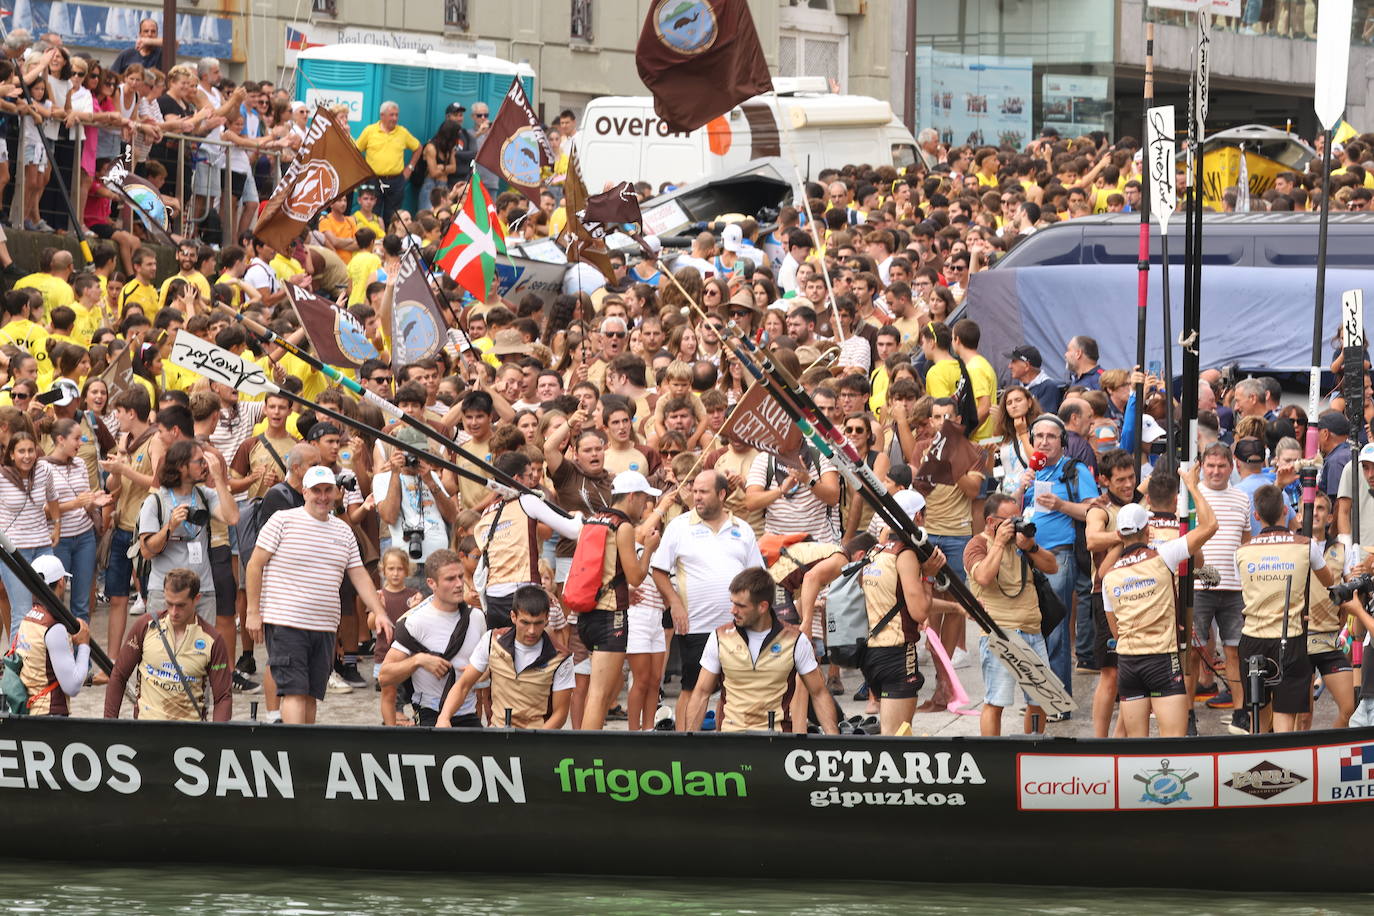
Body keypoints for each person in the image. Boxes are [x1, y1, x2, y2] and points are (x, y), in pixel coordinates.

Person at [245, 466, 390, 725]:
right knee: (295, 692)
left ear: (336, 493)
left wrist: (379, 612)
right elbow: (255, 564)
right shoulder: (282, 520)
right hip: (286, 621)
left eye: (327, 491)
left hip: (324, 625)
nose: (323, 496)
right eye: (316, 491)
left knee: (311, 695)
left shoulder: (343, 530)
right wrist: (252, 612)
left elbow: (358, 575)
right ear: (304, 492)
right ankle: (294, 755)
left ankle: (305, 753)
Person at [797, 491, 941, 736]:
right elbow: (919, 613)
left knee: (890, 733)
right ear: (918, 516)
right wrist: (928, 576)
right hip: (897, 653)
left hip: (871, 655)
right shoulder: (904, 555)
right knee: (897, 736)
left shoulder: (875, 551)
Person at [1102, 465, 1217, 738]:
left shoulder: (1109, 577)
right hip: (1162, 661)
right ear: (1147, 531)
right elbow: (1210, 525)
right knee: (1173, 746)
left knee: (1135, 750)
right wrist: (1192, 485)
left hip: (1129, 664)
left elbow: (1116, 632)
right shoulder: (1164, 555)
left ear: (1119, 535)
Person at [651, 470, 764, 729]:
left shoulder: (743, 529)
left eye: (703, 491)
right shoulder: (679, 526)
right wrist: (675, 603)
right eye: (694, 490)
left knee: (733, 690)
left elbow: (757, 576)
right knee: (692, 688)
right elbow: (658, 571)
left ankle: (725, 744)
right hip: (697, 625)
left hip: (738, 628)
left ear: (722, 494)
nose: (696, 496)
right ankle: (684, 748)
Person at [1234, 483, 1339, 734]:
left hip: (1253, 638)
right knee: (1285, 721)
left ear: (1256, 516)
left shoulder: (1242, 551)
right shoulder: (1306, 545)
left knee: (1257, 718)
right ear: (1286, 510)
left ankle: (1255, 765)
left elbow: (1245, 592)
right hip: (1290, 639)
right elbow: (1329, 581)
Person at [1010, 413, 1099, 705]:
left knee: (1055, 631)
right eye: (1038, 437)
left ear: (1062, 442)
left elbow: (1093, 512)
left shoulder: (1074, 470)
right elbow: (1011, 510)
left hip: (1059, 556)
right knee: (1027, 629)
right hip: (1024, 558)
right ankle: (1036, 701)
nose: (1044, 442)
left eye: (1051, 437)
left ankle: (1058, 702)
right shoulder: (1031, 471)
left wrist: (1061, 504)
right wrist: (1021, 487)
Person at [684, 566, 839, 733]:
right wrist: (688, 747)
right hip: (729, 740)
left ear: (763, 607)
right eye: (732, 603)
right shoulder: (719, 637)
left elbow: (819, 694)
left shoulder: (795, 640)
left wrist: (837, 748)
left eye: (740, 605)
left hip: (776, 741)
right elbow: (700, 694)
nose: (732, 610)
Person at [573, 469, 660, 730]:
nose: (646, 505)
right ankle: (588, 759)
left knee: (595, 693)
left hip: (587, 614)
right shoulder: (622, 527)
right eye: (644, 499)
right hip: (610, 619)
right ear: (631, 496)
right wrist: (649, 551)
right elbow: (636, 577)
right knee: (600, 696)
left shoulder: (593, 520)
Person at [966, 492, 1058, 736]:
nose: (1014, 524)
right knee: (996, 702)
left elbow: (1053, 566)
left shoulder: (1021, 544)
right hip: (999, 633)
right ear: (990, 522)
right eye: (1008, 520)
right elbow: (984, 577)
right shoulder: (977, 544)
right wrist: (998, 543)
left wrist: (1031, 547)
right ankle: (992, 759)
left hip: (1031, 631)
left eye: (1017, 518)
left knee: (1040, 701)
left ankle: (1034, 752)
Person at [436, 583, 573, 729]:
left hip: (537, 737)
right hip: (497, 735)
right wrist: (444, 717)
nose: (532, 630)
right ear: (513, 617)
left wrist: (534, 744)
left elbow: (560, 714)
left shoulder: (561, 658)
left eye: (538, 623)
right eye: (525, 623)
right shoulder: (492, 640)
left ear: (547, 619)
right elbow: (463, 685)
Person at [103, 567, 232, 721]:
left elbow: (223, 696)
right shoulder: (145, 626)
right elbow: (118, 675)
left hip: (190, 734)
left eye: (181, 605)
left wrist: (217, 740)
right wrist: (109, 724)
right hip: (146, 728)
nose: (173, 612)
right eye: (169, 603)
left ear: (196, 598)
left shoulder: (213, 640)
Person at [378, 548, 486, 727]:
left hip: (468, 713)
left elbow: (486, 671)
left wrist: (481, 673)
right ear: (431, 583)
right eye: (450, 579)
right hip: (429, 714)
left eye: (460, 576)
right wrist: (418, 661)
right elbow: (384, 676)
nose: (459, 584)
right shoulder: (415, 621)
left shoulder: (477, 617)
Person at [137, 439, 239, 618]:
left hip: (202, 592)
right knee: (165, 646)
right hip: (165, 593)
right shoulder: (156, 502)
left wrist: (218, 479)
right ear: (182, 467)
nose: (205, 465)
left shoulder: (205, 496)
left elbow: (232, 517)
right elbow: (147, 551)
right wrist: (170, 526)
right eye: (199, 461)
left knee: (202, 646)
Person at [1192, 442, 1253, 724]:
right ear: (1202, 466)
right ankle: (1187, 711)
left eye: (1221, 466)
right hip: (1198, 588)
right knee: (1194, 652)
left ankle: (1240, 711)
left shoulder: (1242, 498)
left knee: (1235, 651)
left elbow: (1246, 543)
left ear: (1231, 467)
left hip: (1234, 588)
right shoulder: (1191, 495)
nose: (1216, 471)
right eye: (1211, 466)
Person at [10, 555, 89, 717]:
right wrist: (84, 645)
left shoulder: (28, 618)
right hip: (49, 715)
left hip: (30, 711)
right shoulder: (54, 627)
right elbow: (72, 686)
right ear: (61, 582)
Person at [0, 430, 57, 636]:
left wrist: (57, 524)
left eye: (31, 450)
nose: (27, 456)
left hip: (42, 546)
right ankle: (16, 667)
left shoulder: (44, 470)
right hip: (14, 551)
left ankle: (43, 662)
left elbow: (53, 496)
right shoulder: (2, 476)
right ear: (12, 454)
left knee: (50, 609)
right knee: (22, 613)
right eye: (21, 451)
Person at [355, 101, 420, 223]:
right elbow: (356, 150)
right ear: (382, 115)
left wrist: (410, 167)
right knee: (372, 214)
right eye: (391, 115)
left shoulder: (402, 132)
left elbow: (418, 148)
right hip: (374, 180)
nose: (395, 118)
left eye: (396, 115)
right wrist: (363, 170)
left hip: (396, 181)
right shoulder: (370, 131)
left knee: (393, 216)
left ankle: (391, 241)